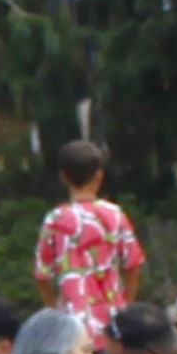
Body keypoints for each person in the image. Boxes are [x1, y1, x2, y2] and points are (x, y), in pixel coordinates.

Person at [34, 137, 144, 327]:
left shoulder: (54, 219)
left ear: (63, 177)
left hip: (72, 324)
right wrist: (126, 305)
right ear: (99, 176)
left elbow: (42, 275)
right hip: (112, 321)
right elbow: (133, 265)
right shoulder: (114, 214)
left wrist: (53, 309)